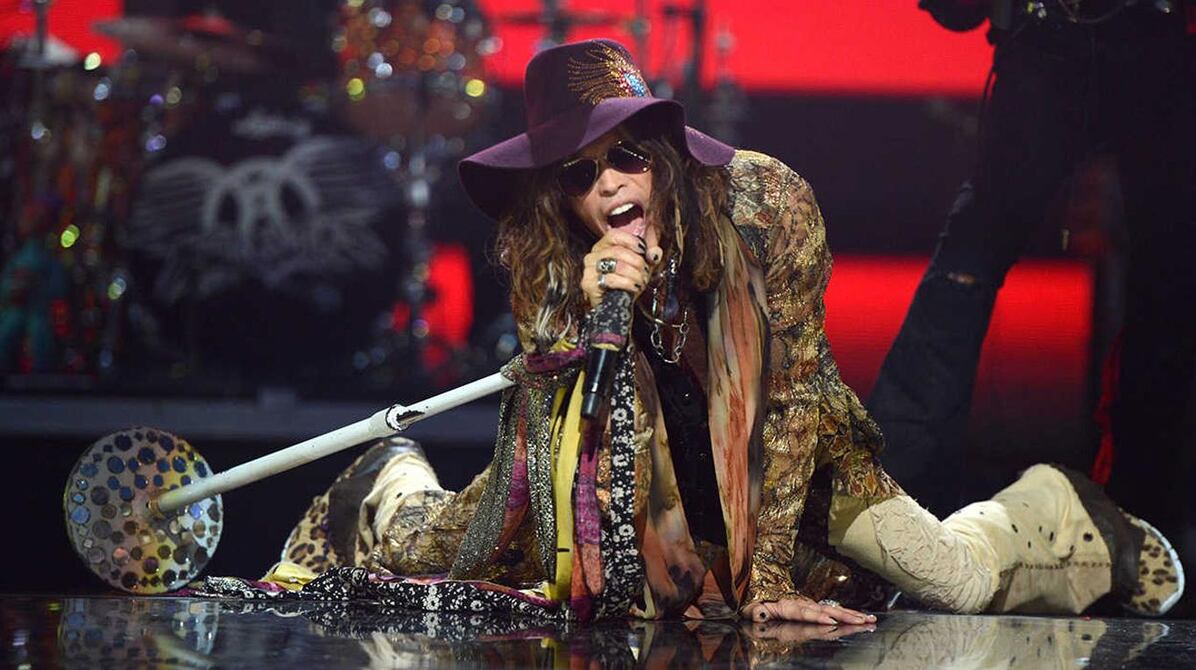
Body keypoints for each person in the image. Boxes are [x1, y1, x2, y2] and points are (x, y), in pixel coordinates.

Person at [245, 39, 1182, 623]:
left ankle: (1050, 510)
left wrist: (765, 581)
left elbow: (796, 402)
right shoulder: (555, 262)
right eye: (579, 175)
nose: (609, 185)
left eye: (624, 156)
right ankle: (388, 480)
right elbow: (554, 438)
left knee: (955, 585)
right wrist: (589, 318)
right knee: (433, 552)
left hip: (793, 465)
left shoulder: (766, 204)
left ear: (660, 151)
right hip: (627, 469)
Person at [869, 2, 1196, 528]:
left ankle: (1142, 525)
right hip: (1052, 44)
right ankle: (892, 506)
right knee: (968, 266)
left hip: (1158, 49)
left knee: (1168, 289)